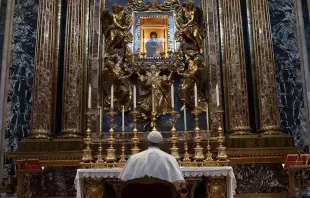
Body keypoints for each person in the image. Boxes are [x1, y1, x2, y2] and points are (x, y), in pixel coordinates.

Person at [118, 130, 184, 190]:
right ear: (161, 143)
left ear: (147, 142)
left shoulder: (134, 158)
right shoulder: (170, 159)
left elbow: (125, 182)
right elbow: (176, 184)